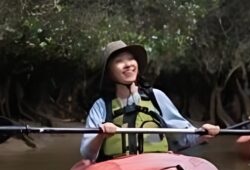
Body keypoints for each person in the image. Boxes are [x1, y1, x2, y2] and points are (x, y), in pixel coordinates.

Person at [80, 41, 220, 162]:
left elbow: (184, 137)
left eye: (131, 59)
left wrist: (202, 133)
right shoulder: (101, 106)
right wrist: (100, 135)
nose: (128, 64)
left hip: (157, 163)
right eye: (119, 61)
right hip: (116, 167)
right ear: (109, 73)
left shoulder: (156, 97)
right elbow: (88, 154)